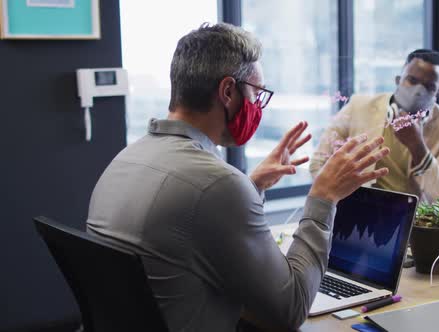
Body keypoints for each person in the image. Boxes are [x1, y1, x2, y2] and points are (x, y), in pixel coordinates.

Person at [86, 23, 390, 332]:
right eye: (257, 95)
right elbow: (291, 310)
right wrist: (323, 197)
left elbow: (191, 228)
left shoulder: (127, 159)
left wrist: (251, 186)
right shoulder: (217, 185)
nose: (258, 108)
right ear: (228, 91)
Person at [310, 49, 439, 203]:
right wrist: (344, 204)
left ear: (437, 95)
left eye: (429, 87)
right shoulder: (359, 106)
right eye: (412, 80)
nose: (418, 91)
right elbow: (318, 162)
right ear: (398, 80)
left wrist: (418, 148)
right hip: (356, 210)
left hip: (411, 219)